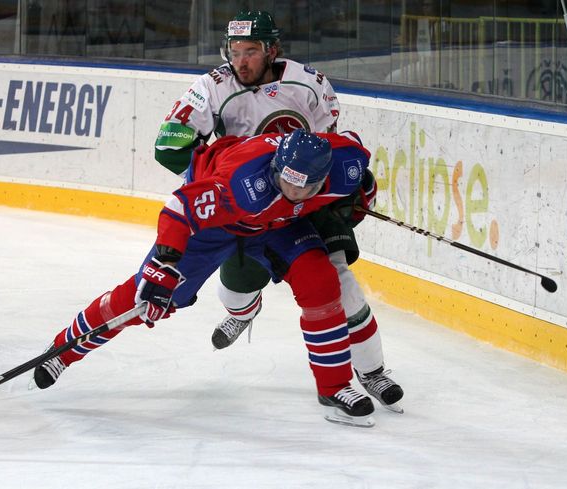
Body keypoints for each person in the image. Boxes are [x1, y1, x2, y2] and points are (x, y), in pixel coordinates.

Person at [34, 129, 384, 426]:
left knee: (321, 282)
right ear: (277, 165)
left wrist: (360, 196)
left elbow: (355, 158)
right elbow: (179, 209)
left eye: (302, 189)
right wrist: (166, 264)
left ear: (324, 178)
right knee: (142, 299)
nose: (290, 192)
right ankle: (62, 350)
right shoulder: (242, 183)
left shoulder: (347, 163)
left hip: (277, 225)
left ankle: (334, 385)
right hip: (215, 226)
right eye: (283, 181)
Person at [154, 10, 403, 410]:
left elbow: (326, 149)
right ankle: (245, 311)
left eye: (251, 51)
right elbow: (167, 148)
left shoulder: (310, 84)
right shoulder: (212, 86)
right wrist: (210, 167)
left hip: (298, 204)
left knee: (338, 282)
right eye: (235, 51)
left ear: (272, 50)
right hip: (245, 206)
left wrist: (344, 190)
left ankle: (372, 371)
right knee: (235, 290)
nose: (241, 61)